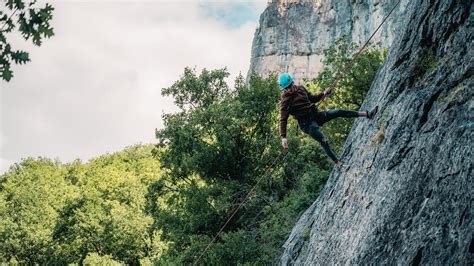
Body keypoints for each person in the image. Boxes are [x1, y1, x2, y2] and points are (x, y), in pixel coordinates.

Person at [279, 73, 378, 168]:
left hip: (315, 115)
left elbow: (313, 98)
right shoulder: (285, 101)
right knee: (323, 140)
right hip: (307, 124)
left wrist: (324, 94)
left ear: (292, 83)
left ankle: (368, 114)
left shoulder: (301, 88)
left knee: (338, 111)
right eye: (286, 88)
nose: (289, 89)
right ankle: (338, 164)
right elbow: (283, 119)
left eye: (289, 86)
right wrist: (283, 137)